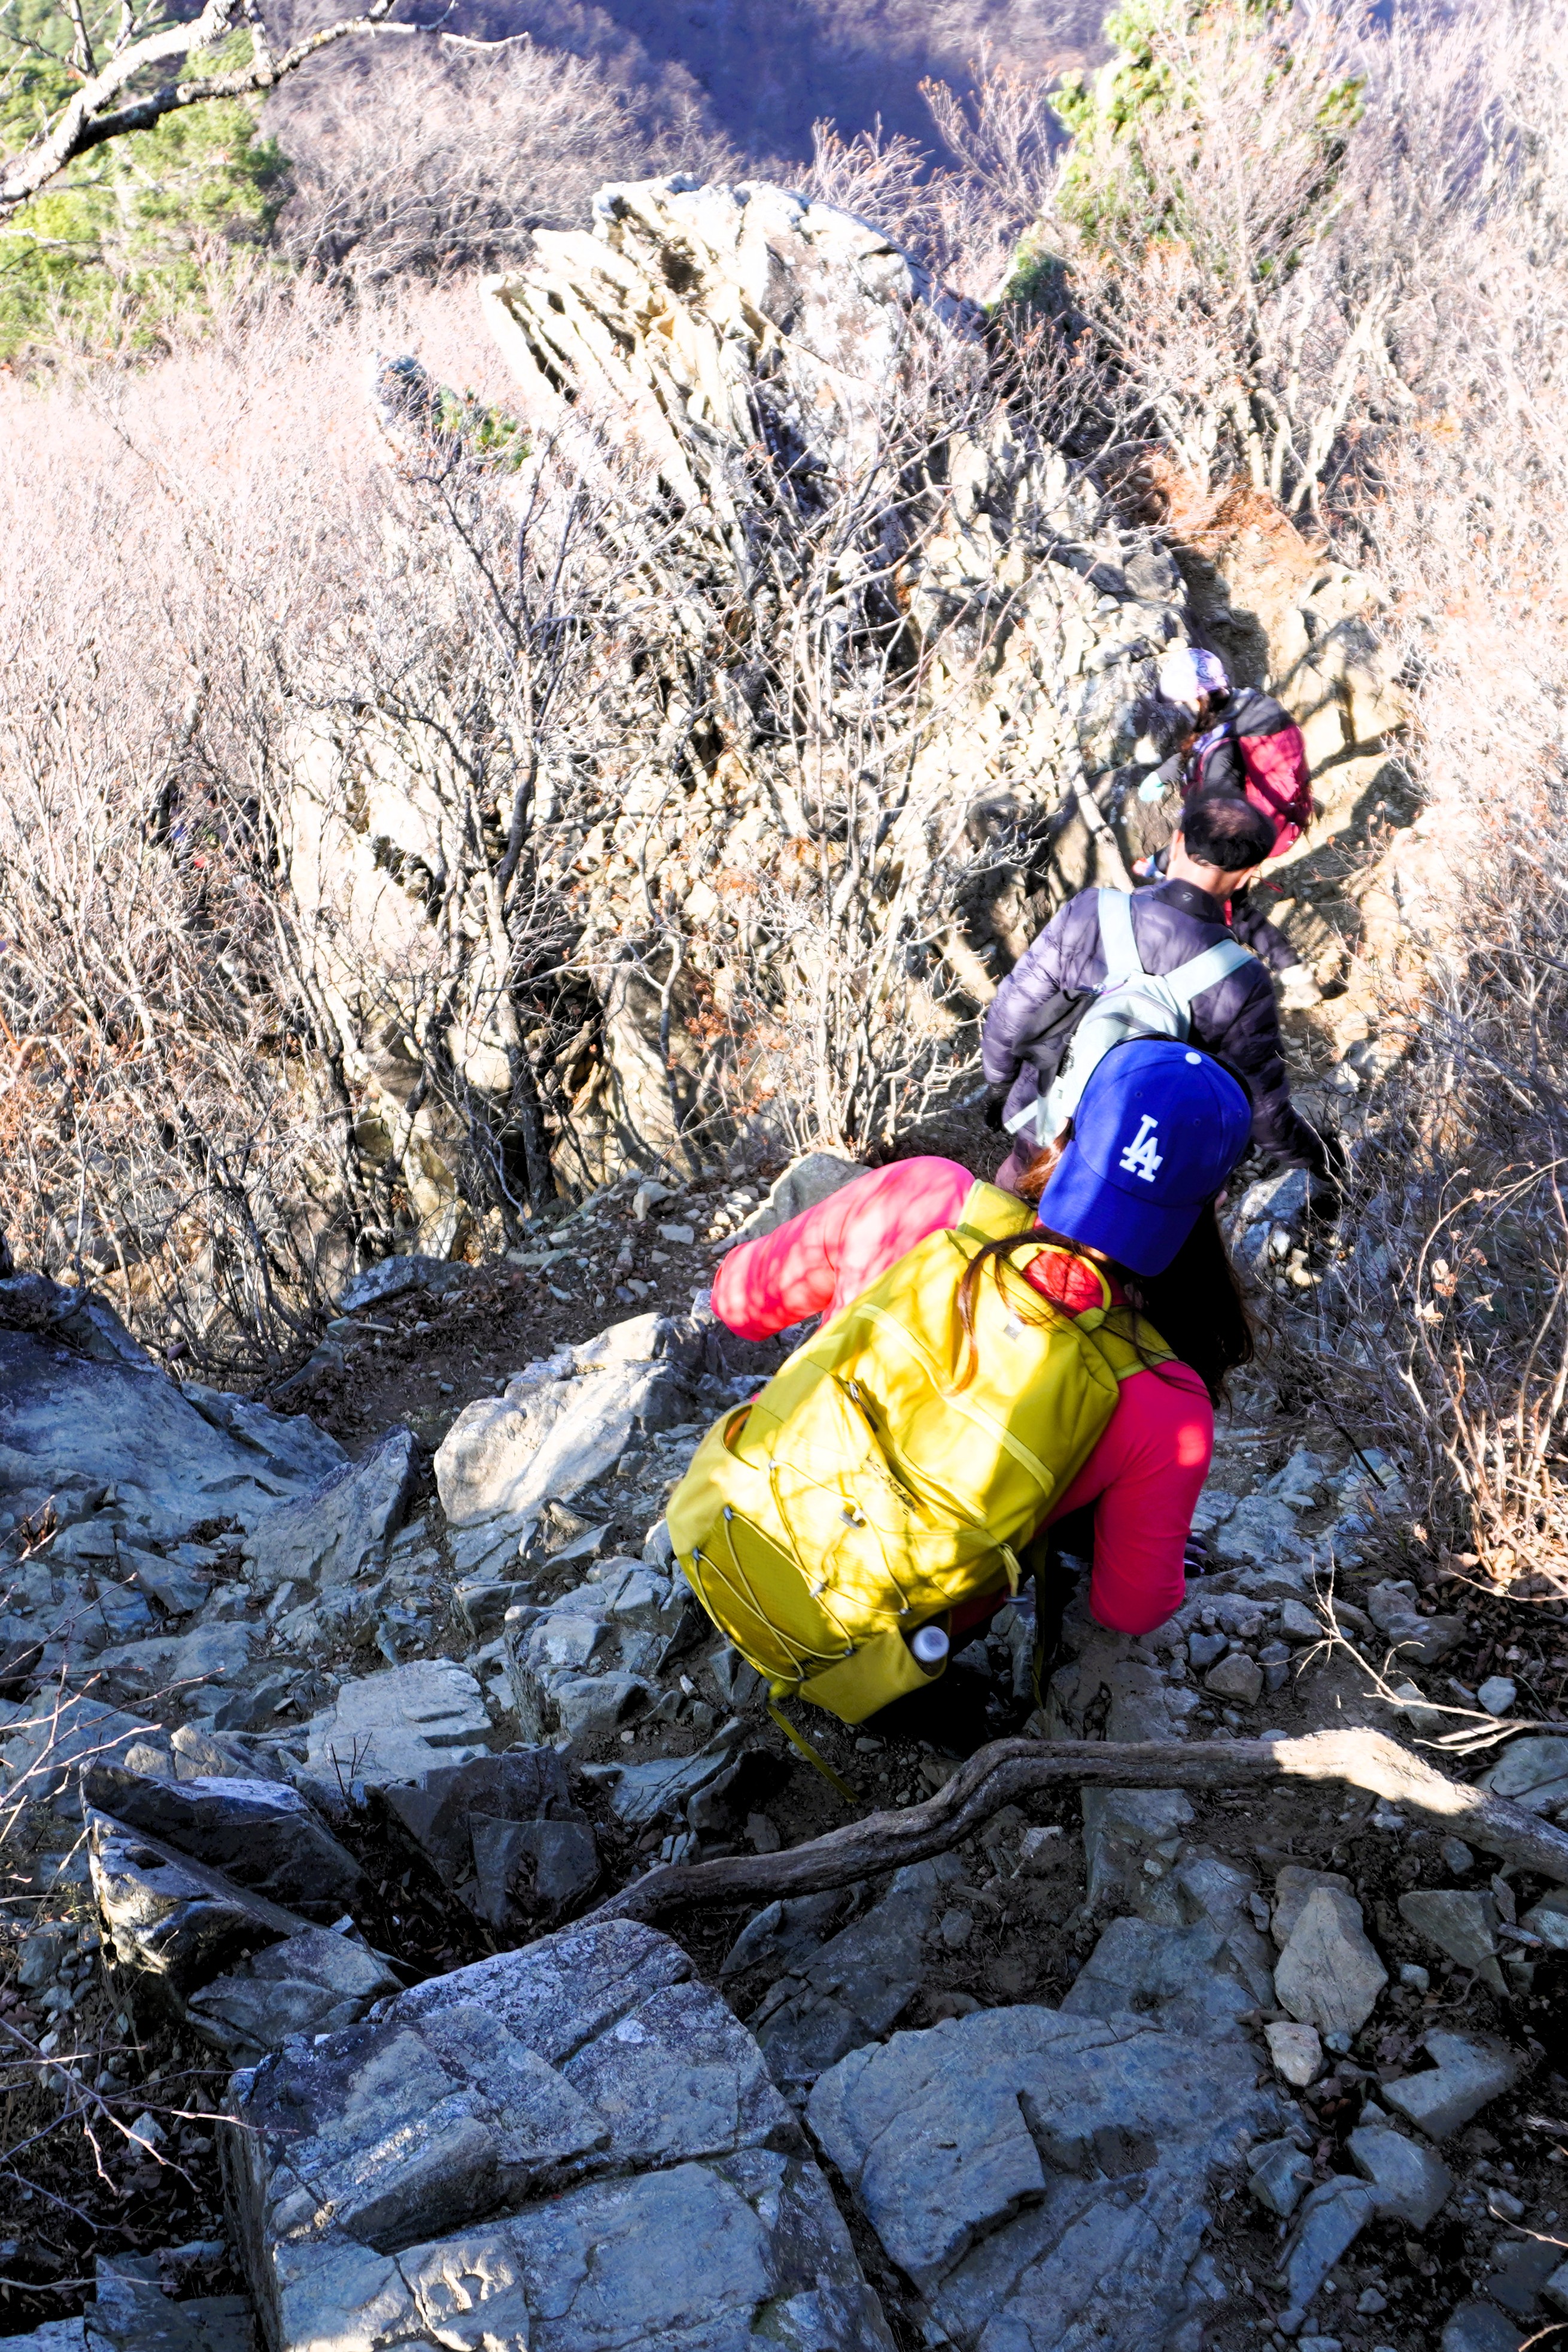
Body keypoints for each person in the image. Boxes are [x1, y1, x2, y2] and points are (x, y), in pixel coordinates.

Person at [709, 1039, 1254, 1660]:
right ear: (1211, 1203)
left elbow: (736, 1301)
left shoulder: (924, 1194)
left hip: (731, 1527)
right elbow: (1129, 1609)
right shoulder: (1165, 1397)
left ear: (1065, 1130)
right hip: (872, 1649)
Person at [983, 792, 1342, 1212]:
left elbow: (1010, 1014)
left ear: (1176, 842)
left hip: (1044, 1130)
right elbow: (1264, 1115)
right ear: (1248, 875)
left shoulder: (1090, 911)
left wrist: (1004, 1089)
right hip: (1134, 1165)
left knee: (1007, 1221)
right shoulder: (1243, 981)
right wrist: (1326, 1159)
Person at [1132, 644, 1320, 1007]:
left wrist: (1163, 861)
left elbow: (1216, 821)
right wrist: (1164, 773)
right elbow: (1205, 747)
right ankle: (1298, 978)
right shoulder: (1242, 706)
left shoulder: (1225, 749)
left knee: (1229, 911)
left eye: (1185, 701)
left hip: (1240, 837)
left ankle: (1270, 988)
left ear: (1200, 697)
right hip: (1265, 822)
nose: (1183, 708)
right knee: (1233, 908)